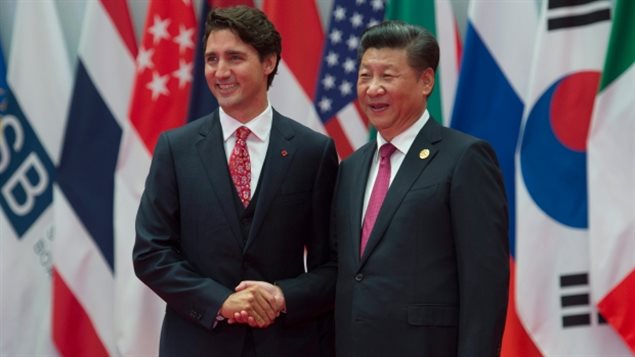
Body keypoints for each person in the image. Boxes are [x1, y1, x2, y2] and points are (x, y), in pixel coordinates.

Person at [133, 6, 338, 357]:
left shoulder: (313, 151)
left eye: (235, 57)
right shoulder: (175, 149)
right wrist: (221, 302)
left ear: (269, 62)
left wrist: (282, 296)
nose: (220, 71)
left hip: (286, 345)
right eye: (212, 59)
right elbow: (151, 253)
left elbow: (333, 265)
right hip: (197, 343)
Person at [332, 21, 509, 356]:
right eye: (365, 75)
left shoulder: (464, 158)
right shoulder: (351, 167)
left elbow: (484, 284)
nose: (372, 88)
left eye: (387, 76)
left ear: (425, 81)